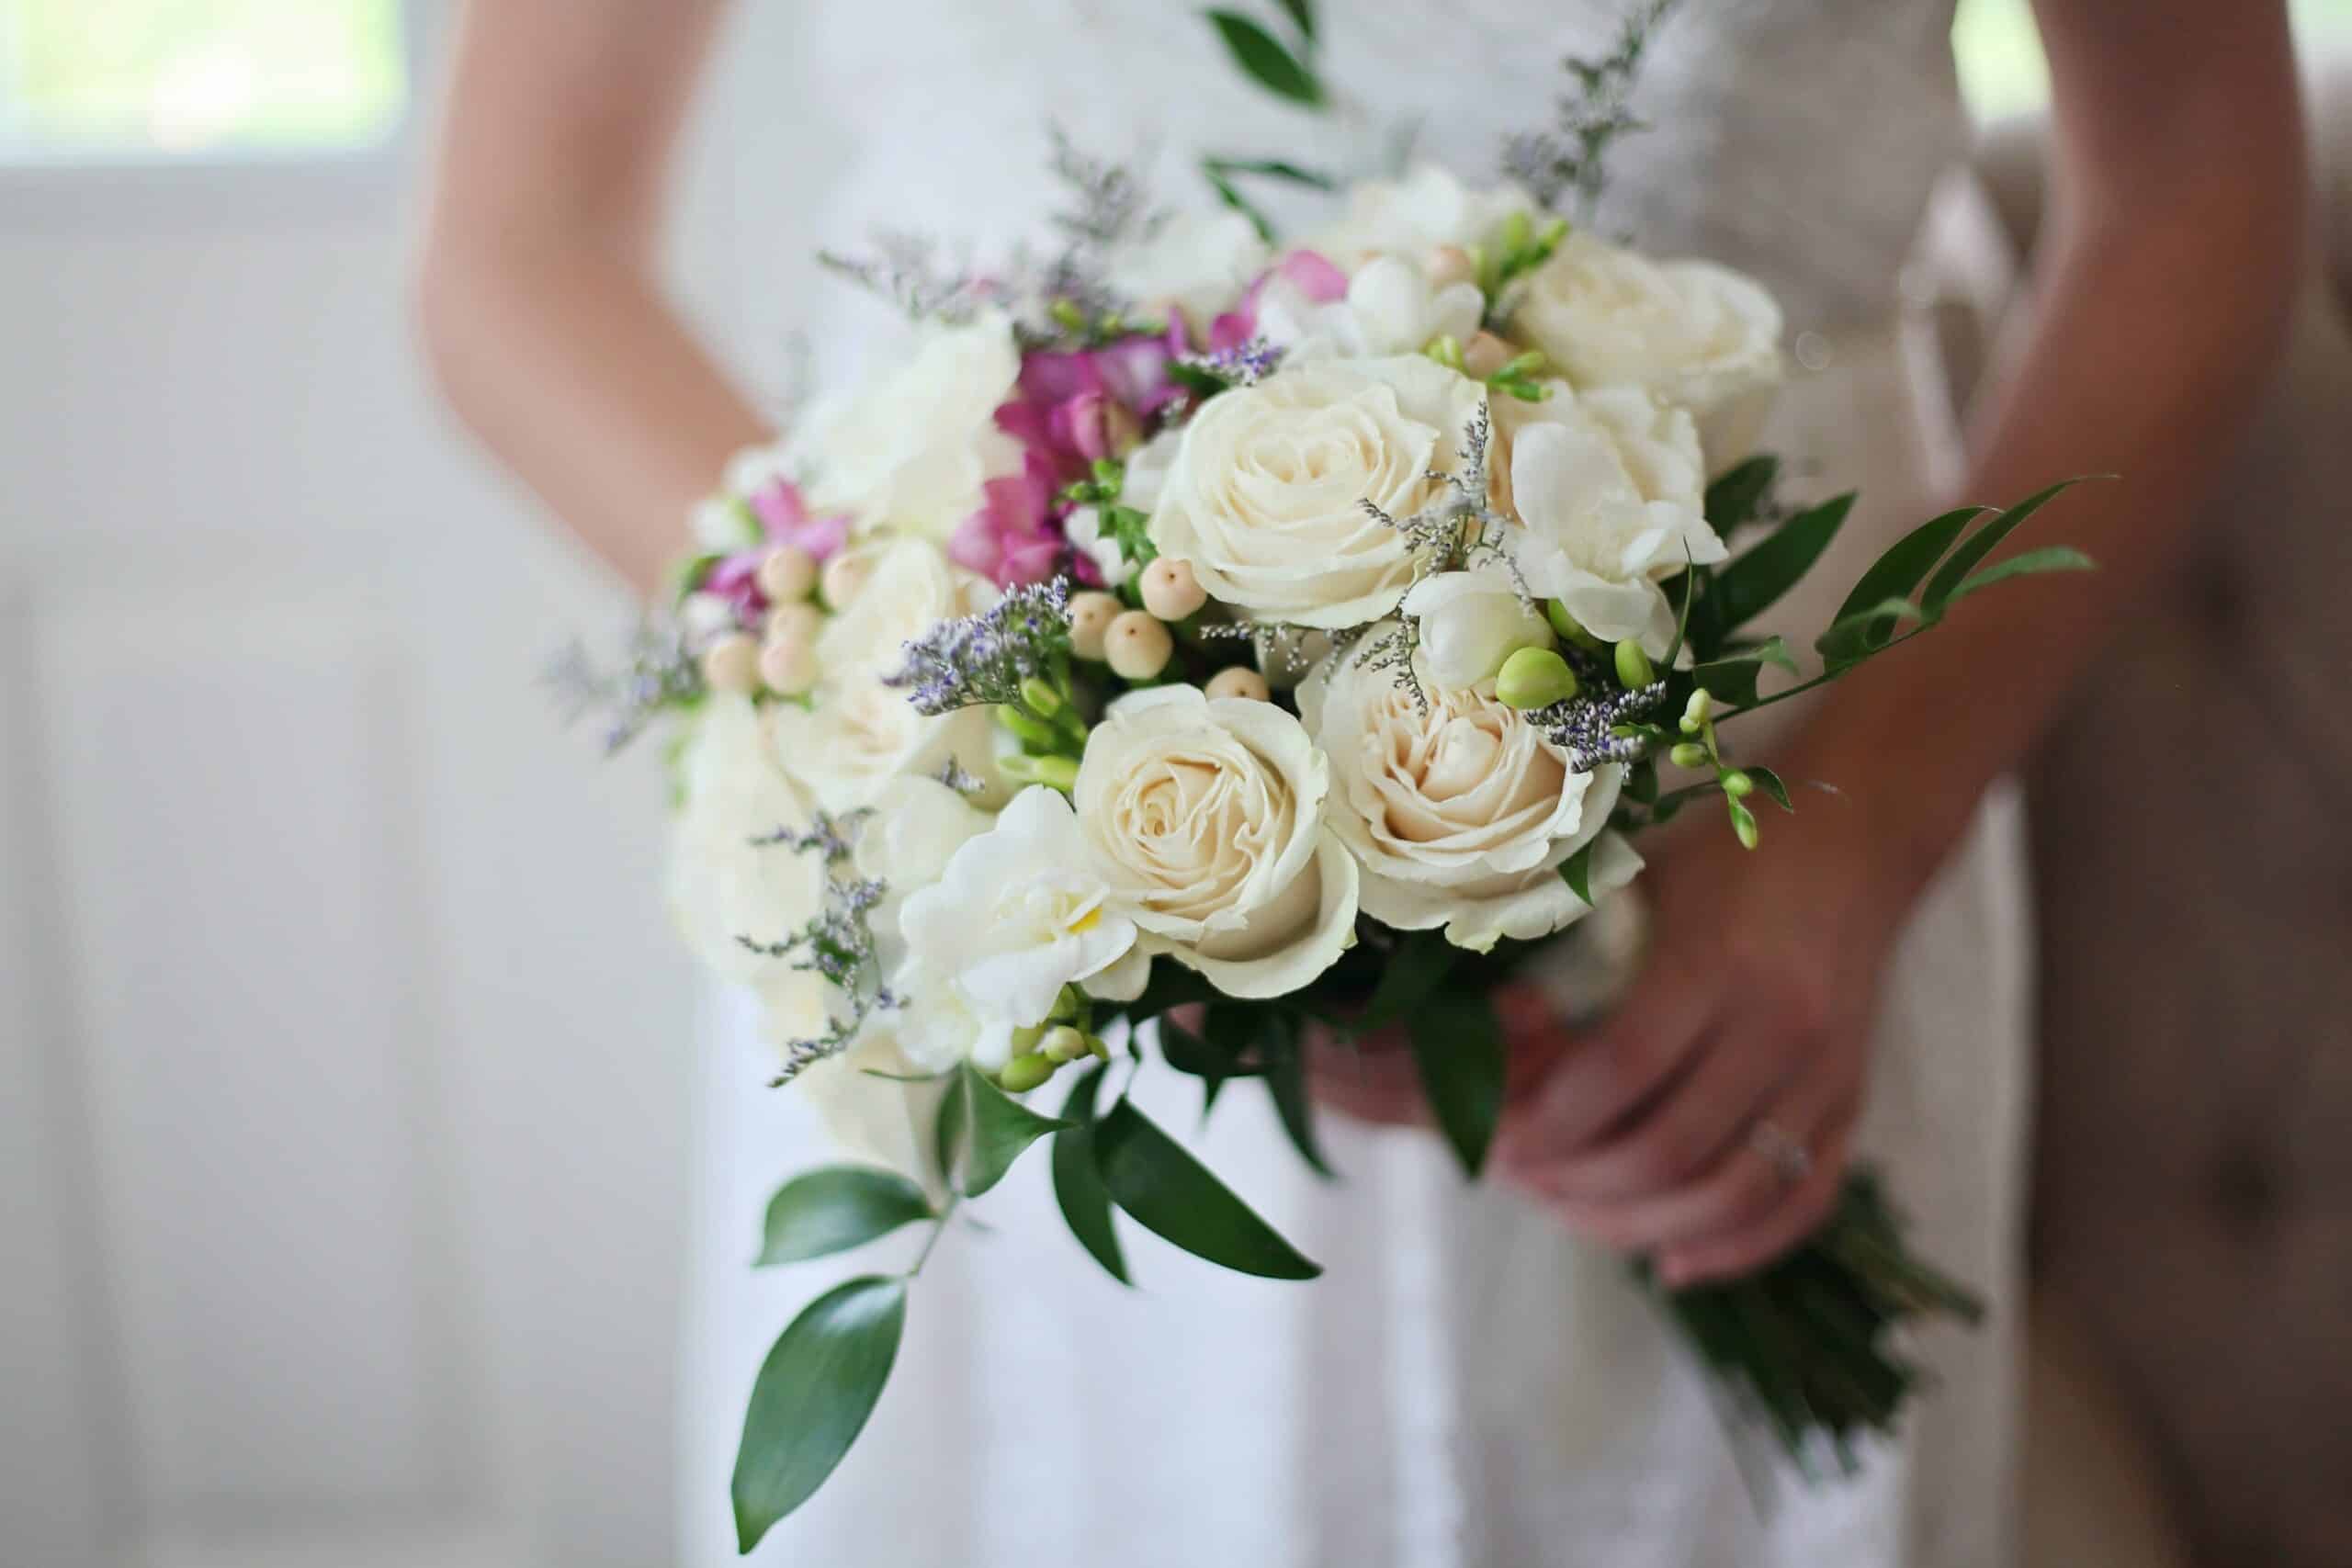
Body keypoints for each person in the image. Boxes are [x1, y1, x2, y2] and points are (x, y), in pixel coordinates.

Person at [417, 2, 2303, 1562]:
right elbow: (519, 252)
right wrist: (975, 742)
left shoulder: (1825, 854)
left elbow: (2193, 169)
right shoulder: (1001, 785)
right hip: (1017, 877)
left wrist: (1856, 843)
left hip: (1775, 827)